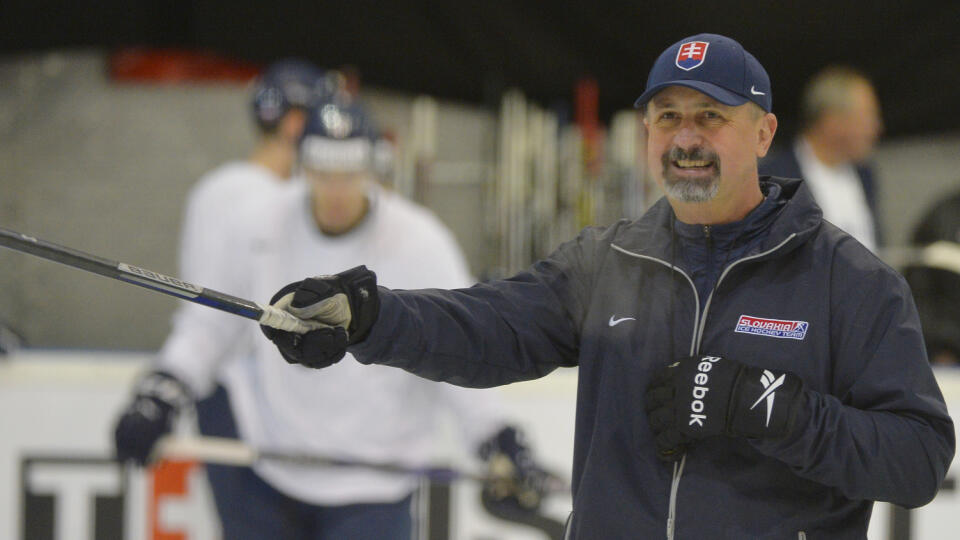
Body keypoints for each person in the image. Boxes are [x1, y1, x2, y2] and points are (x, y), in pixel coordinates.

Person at [261, 34, 955, 539]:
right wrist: (366, 317)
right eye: (667, 117)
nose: (685, 138)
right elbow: (489, 325)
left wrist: (772, 408)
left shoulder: (848, 282)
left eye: (709, 116)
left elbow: (918, 459)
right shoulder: (609, 262)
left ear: (764, 131)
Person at [115, 93, 546, 537]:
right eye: (323, 173)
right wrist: (163, 389)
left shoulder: (421, 243)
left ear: (372, 168)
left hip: (374, 487)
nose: (337, 190)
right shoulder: (258, 224)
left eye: (350, 174)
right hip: (272, 469)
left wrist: (494, 435)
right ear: (302, 165)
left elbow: (458, 346)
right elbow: (210, 327)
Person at [760, 66, 883, 252]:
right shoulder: (773, 180)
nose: (876, 128)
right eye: (866, 117)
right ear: (832, 121)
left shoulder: (865, 175)